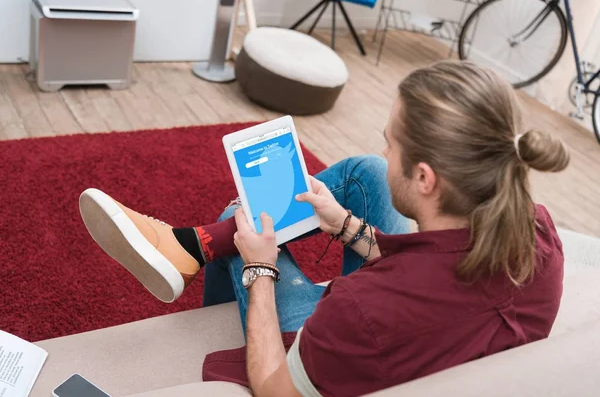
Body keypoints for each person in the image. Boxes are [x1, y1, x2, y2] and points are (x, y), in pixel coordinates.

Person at [79, 60, 570, 397]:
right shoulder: (540, 234)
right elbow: (437, 269)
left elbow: (277, 388)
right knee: (366, 175)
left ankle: (199, 248)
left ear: (425, 178)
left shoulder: (359, 309)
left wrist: (260, 270)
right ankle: (192, 247)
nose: (386, 150)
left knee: (243, 219)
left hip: (356, 346)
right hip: (428, 325)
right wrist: (347, 227)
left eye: (392, 143)